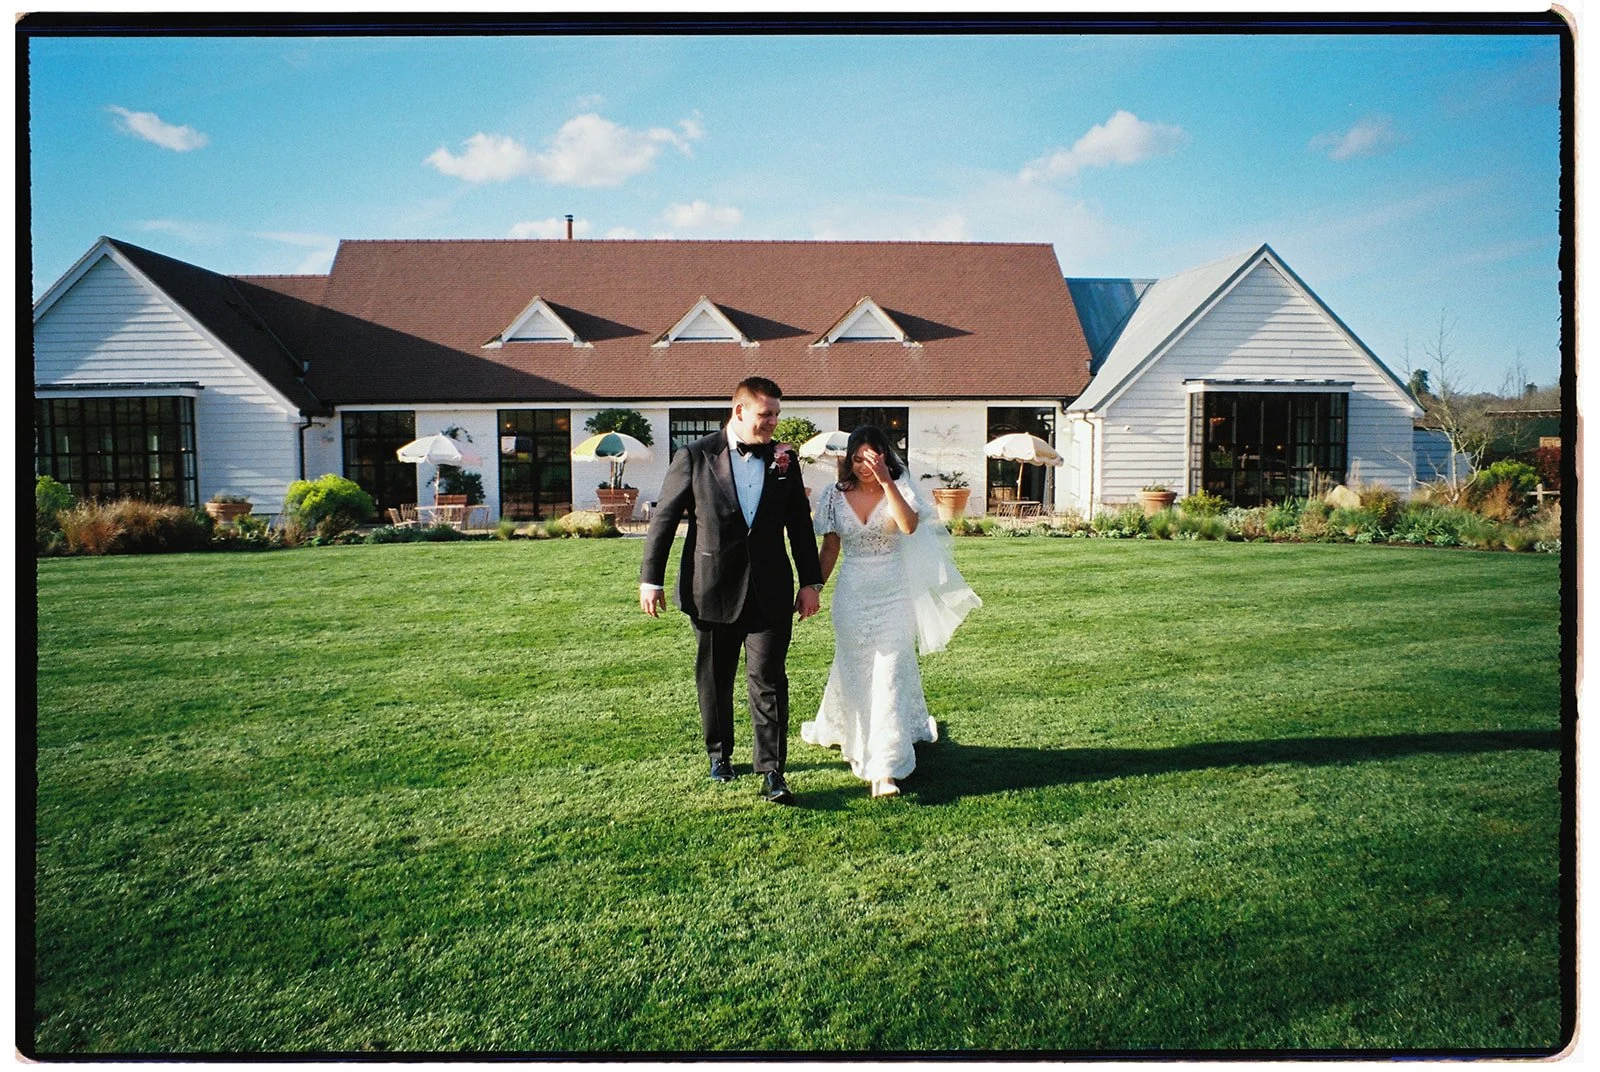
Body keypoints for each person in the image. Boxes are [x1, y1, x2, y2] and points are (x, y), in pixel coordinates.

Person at [639, 377, 824, 804]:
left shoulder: (785, 461)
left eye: (777, 414)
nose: (773, 423)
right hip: (711, 589)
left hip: (771, 591)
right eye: (766, 415)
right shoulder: (694, 455)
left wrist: (811, 582)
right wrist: (651, 579)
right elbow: (663, 520)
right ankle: (719, 754)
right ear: (739, 411)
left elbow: (798, 524)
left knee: (769, 681)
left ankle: (772, 771)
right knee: (715, 678)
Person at [801, 426, 982, 798]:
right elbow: (831, 548)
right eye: (858, 459)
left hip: (894, 595)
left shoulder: (901, 488)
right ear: (848, 460)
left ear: (884, 457)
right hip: (853, 594)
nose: (865, 466)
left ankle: (884, 768)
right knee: (856, 669)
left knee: (888, 674)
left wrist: (886, 483)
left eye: (872, 459)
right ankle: (852, 733)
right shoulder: (834, 496)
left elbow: (909, 526)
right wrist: (812, 588)